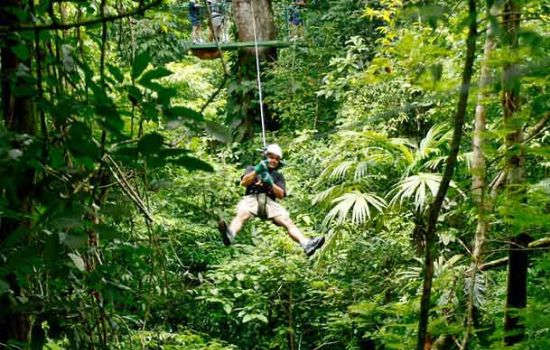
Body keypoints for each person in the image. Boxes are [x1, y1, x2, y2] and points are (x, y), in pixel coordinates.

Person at [218, 144, 325, 256]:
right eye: (271, 157)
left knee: (287, 221)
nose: (273, 160)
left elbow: (281, 195)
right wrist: (257, 171)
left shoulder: (278, 176)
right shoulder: (252, 168)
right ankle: (230, 234)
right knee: (242, 214)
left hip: (270, 203)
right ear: (265, 156)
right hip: (252, 198)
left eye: (276, 159)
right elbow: (244, 183)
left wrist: (270, 182)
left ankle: (306, 243)